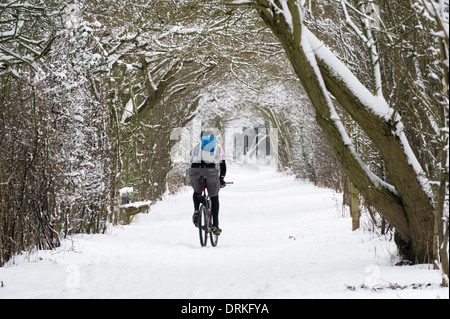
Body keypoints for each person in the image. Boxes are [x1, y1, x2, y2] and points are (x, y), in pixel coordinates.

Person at [189, 130, 226, 235]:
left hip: (195, 171)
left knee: (197, 192)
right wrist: (221, 178)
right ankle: (215, 226)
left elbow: (191, 160)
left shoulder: (196, 145)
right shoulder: (217, 146)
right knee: (214, 197)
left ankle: (196, 211)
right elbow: (223, 165)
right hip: (211, 172)